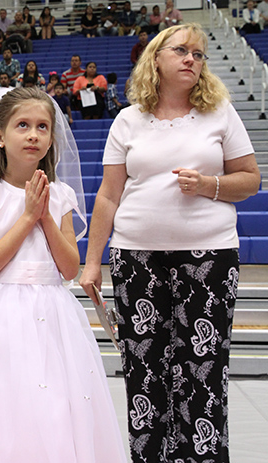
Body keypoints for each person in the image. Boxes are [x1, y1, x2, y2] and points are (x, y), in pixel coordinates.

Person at [79, 24, 260, 463]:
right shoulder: (128, 119)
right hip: (135, 259)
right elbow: (108, 194)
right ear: (155, 59)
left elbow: (250, 180)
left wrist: (209, 184)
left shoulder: (221, 113)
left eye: (198, 54)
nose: (191, 60)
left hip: (210, 258)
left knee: (204, 372)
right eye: (181, 51)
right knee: (144, 372)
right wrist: (91, 263)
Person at [0, 86, 125, 463]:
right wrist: (28, 215)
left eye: (43, 127)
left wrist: (45, 214)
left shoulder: (59, 193)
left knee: (54, 402)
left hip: (52, 309)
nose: (33, 134)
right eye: (23, 125)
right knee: (2, 401)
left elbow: (68, 268)